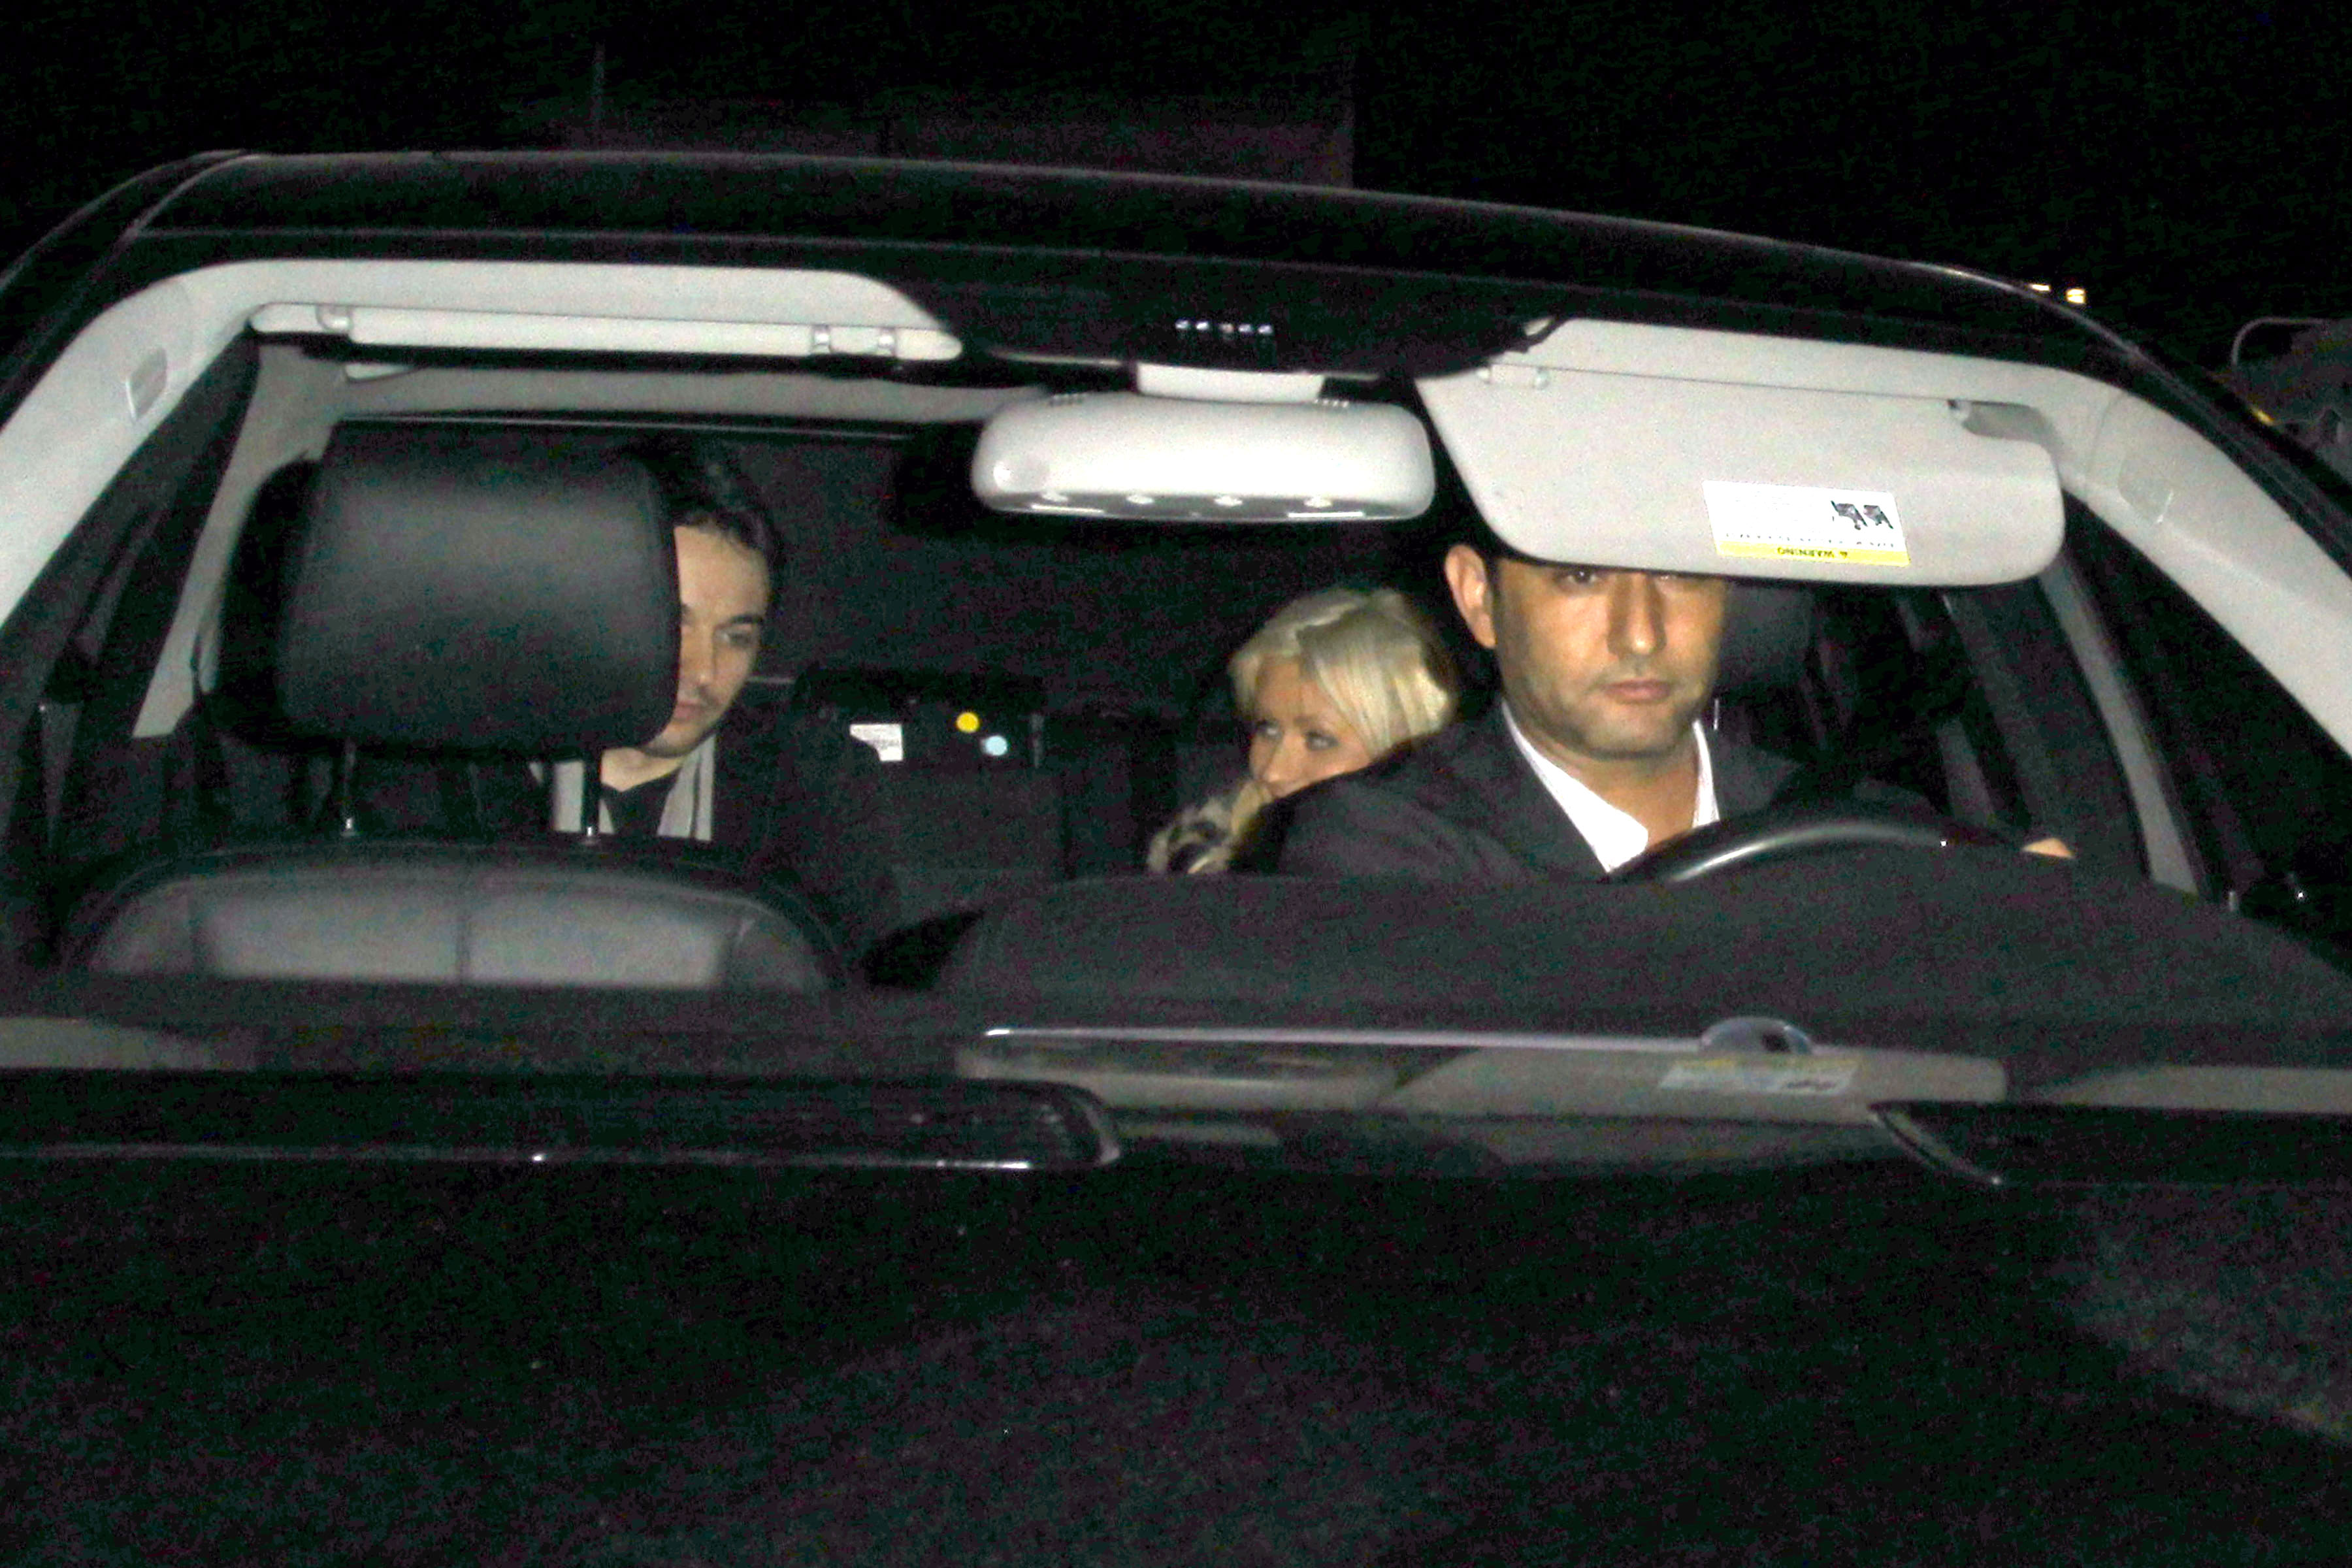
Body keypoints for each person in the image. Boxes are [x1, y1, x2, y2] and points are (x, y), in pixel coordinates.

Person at [1269, 534, 2065, 880]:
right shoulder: (1382, 844)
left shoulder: (1869, 831)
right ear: (1480, 598)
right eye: (1581, 576)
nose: (1641, 633)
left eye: (1680, 574)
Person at [1150, 586, 1458, 874]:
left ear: (1402, 750)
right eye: (1268, 729)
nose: (1273, 771)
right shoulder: (1194, 859)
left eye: (1318, 740)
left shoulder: (1455, 876)